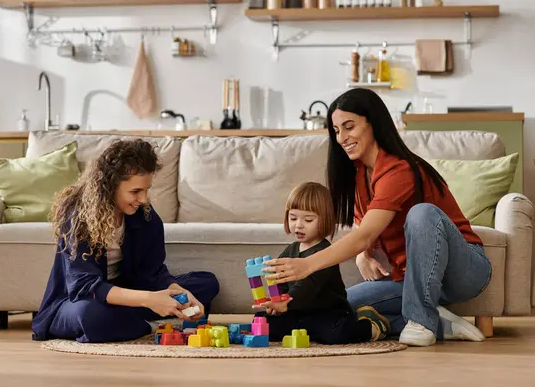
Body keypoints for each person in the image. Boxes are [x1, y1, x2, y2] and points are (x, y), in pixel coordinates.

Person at [263, 88, 492, 347]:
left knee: (422, 213)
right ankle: (439, 323)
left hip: (463, 272)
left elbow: (366, 234)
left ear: (373, 123)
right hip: (414, 280)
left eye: (349, 127)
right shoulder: (359, 174)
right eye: (337, 131)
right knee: (344, 305)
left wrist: (308, 265)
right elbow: (366, 225)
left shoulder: (400, 169)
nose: (342, 138)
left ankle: (422, 322)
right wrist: (363, 254)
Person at [32, 139, 220, 343]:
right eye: (136, 191)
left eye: (146, 190)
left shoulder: (144, 215)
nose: (144, 200)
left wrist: (182, 294)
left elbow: (153, 273)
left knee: (206, 283)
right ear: (109, 186)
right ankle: (152, 325)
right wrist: (149, 300)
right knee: (90, 315)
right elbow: (85, 286)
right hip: (79, 301)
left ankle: (137, 318)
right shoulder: (79, 215)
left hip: (130, 295)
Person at [253, 182, 391, 344]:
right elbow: (280, 280)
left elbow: (308, 286)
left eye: (308, 220)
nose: (299, 225)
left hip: (326, 313)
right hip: (297, 311)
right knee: (264, 321)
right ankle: (303, 329)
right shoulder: (291, 250)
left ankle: (371, 325)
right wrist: (276, 303)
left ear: (324, 220)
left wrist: (286, 303)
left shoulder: (324, 253)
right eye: (293, 218)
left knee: (336, 334)